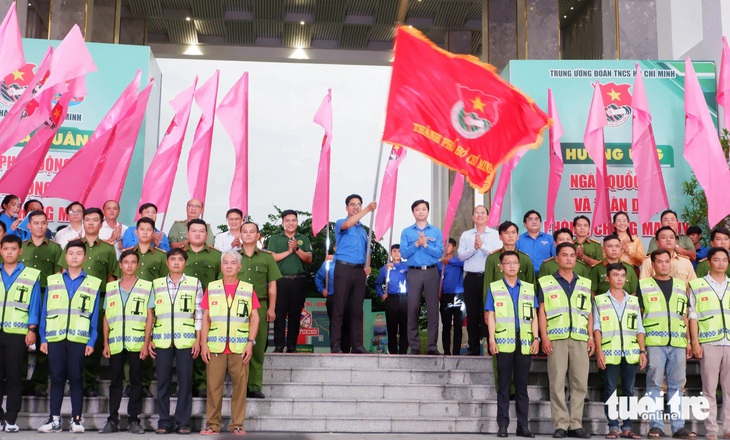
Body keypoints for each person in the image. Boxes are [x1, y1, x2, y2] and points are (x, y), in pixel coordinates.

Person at [37, 240, 102, 433]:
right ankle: (54, 419)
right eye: (71, 253)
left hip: (79, 338)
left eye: (78, 253)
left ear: (85, 257)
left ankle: (76, 419)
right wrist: (43, 338)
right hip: (55, 337)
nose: (74, 256)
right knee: (56, 378)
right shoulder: (53, 280)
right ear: (65, 257)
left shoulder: (92, 283)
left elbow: (95, 315)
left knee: (76, 377)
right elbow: (45, 312)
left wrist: (92, 340)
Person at [538, 242, 594, 439]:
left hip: (580, 338)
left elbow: (588, 312)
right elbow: (542, 312)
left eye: (572, 255)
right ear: (557, 258)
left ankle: (576, 424)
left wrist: (591, 337)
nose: (569, 258)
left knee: (580, 383)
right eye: (564, 255)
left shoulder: (585, 283)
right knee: (557, 382)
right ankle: (561, 424)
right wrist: (543, 337)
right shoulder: (546, 282)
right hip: (556, 339)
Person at [200, 250, 259, 436]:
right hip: (215, 347)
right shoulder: (213, 287)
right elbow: (205, 318)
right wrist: (203, 344)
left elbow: (255, 318)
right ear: (221, 266)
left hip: (240, 347)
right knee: (213, 387)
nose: (229, 266)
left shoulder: (248, 289)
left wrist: (250, 342)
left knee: (240, 388)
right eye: (225, 263)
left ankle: (238, 425)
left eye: (233, 263)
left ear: (239, 267)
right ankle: (212, 424)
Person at [60, 208, 118, 398]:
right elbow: (63, 274)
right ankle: (74, 380)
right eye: (87, 220)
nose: (91, 223)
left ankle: (89, 381)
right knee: (74, 340)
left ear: (102, 224)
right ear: (83, 222)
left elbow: (111, 278)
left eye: (95, 220)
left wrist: (110, 303)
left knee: (95, 340)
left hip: (98, 299)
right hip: (74, 298)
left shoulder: (108, 249)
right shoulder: (73, 246)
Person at [638, 249, 694, 439]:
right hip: (654, 342)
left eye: (666, 261)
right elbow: (638, 317)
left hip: (678, 342)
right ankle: (656, 426)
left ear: (671, 263)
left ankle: (678, 427)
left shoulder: (680, 285)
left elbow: (685, 315)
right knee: (653, 384)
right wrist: (642, 347)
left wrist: (688, 341)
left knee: (677, 385)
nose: (663, 265)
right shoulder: (643, 285)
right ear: (652, 265)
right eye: (659, 262)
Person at [149, 248, 203, 435]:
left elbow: (199, 313)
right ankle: (164, 421)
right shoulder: (156, 284)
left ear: (185, 263)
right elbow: (152, 314)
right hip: (162, 339)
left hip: (186, 340)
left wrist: (197, 340)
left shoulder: (194, 283)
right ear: (167, 262)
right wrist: (149, 338)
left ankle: (183, 422)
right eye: (173, 259)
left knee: (185, 382)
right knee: (162, 381)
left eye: (180, 259)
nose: (176, 262)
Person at [98, 249, 153, 434]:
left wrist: (146, 343)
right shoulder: (111, 287)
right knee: (115, 382)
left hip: (137, 342)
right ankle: (112, 420)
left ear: (138, 265)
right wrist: (105, 342)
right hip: (115, 343)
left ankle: (134, 420)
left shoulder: (146, 286)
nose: (129, 265)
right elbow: (106, 316)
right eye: (126, 262)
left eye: (133, 262)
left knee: (136, 381)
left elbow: (150, 316)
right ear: (120, 265)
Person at [485, 250, 539, 438]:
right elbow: (491, 314)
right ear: (501, 266)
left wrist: (537, 338)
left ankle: (523, 427)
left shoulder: (528, 288)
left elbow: (534, 316)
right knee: (504, 385)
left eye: (515, 262)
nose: (512, 266)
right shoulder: (494, 287)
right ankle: (503, 425)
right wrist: (491, 339)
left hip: (524, 342)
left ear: (519, 266)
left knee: (522, 386)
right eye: (508, 263)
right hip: (503, 343)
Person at [593, 263, 647, 439]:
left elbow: (640, 328)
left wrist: (642, 351)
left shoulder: (633, 301)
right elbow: (597, 328)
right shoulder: (600, 300)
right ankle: (613, 426)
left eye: (623, 275)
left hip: (630, 352)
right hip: (609, 352)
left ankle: (627, 427)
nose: (619, 279)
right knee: (610, 389)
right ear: (608, 278)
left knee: (629, 390)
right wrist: (599, 351)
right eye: (615, 275)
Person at [0, 235, 41, 433]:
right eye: (6, 248)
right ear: (1, 250)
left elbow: (35, 305)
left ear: (20, 251)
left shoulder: (31, 275)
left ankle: (11, 419)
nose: (9, 252)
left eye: (13, 249)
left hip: (18, 333)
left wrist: (32, 329)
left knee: (15, 376)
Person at [20, 210, 63, 398]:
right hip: (22, 298)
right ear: (28, 226)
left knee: (44, 342)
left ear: (47, 225)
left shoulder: (55, 249)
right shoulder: (21, 248)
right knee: (20, 341)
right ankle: (19, 381)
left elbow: (58, 278)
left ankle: (39, 384)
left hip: (47, 297)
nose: (39, 226)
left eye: (43, 223)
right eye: (35, 223)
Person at [689, 247, 730, 440]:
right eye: (717, 259)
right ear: (709, 262)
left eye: (724, 260)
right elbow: (693, 316)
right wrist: (695, 342)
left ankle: (728, 428)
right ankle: (712, 428)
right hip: (709, 342)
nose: (721, 263)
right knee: (709, 389)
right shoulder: (697, 285)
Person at [237, 221, 280, 398]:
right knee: (237, 346)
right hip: (235, 307)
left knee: (258, 345)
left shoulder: (266, 258)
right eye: (245, 231)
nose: (248, 234)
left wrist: (271, 308)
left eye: (252, 231)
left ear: (257, 236)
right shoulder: (231, 257)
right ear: (240, 235)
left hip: (260, 305)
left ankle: (254, 386)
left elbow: (272, 285)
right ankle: (240, 385)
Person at [331, 194, 376, 354]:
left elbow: (367, 252)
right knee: (339, 308)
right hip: (343, 269)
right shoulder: (341, 223)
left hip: (359, 271)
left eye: (359, 204)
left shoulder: (364, 231)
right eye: (352, 204)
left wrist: (368, 265)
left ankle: (356, 345)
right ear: (346, 207)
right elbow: (349, 223)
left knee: (357, 309)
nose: (356, 207)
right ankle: (335, 345)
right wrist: (367, 210)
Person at [182, 218, 222, 397]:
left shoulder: (216, 256)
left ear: (207, 235)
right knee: (186, 345)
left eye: (201, 231)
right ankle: (185, 383)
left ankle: (201, 384)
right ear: (188, 234)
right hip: (182, 308)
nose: (197, 234)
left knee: (204, 344)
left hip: (208, 309)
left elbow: (221, 282)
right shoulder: (178, 254)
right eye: (194, 231)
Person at [457, 205, 502, 355]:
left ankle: (491, 345)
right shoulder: (466, 235)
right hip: (470, 278)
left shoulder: (495, 235)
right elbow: (461, 256)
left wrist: (482, 247)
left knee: (489, 312)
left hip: (489, 278)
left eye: (483, 212)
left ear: (488, 216)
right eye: (476, 213)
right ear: (472, 217)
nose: (479, 215)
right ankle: (473, 347)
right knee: (472, 312)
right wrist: (474, 249)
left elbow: (496, 255)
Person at [401, 199, 443, 355]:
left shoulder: (436, 232)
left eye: (423, 209)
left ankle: (432, 346)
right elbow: (404, 254)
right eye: (417, 209)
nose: (420, 212)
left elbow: (439, 253)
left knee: (433, 309)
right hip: (414, 272)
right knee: (412, 308)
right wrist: (416, 244)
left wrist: (426, 245)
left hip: (432, 272)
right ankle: (415, 346)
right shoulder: (407, 232)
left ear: (428, 211)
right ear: (413, 212)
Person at [267, 209, 313, 353]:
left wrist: (296, 248)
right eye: (288, 220)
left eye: (293, 220)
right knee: (279, 314)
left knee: (295, 314)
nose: (291, 223)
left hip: (298, 281)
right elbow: (272, 258)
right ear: (283, 223)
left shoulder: (303, 238)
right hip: (280, 280)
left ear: (297, 222)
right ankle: (279, 345)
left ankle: (292, 345)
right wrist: (288, 251)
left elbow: (309, 259)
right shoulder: (275, 238)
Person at [375, 244, 409, 355]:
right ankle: (393, 352)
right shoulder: (386, 268)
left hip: (405, 298)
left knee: (405, 326)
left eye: (399, 251)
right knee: (391, 327)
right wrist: (381, 294)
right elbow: (378, 283)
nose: (396, 253)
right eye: (394, 251)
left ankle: (403, 352)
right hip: (391, 299)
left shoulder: (407, 266)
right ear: (390, 253)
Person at [315, 251, 352, 353]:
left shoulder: (350, 261)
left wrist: (335, 257)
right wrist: (322, 289)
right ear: (335, 247)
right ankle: (335, 349)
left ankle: (346, 350)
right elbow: (318, 277)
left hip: (348, 298)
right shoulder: (328, 263)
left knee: (347, 324)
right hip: (333, 297)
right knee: (335, 324)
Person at [438, 238, 465, 356]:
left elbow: (465, 264)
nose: (446, 247)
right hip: (445, 296)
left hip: (459, 296)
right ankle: (447, 352)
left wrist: (449, 262)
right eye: (445, 245)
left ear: (454, 248)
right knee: (446, 326)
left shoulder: (459, 261)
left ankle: (457, 352)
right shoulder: (439, 264)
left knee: (458, 326)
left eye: (449, 245)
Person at [516, 210, 555, 275]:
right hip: (524, 274)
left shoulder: (550, 239)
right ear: (525, 224)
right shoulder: (518, 239)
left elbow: (555, 257)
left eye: (537, 219)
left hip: (546, 275)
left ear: (540, 222)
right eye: (530, 219)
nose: (534, 222)